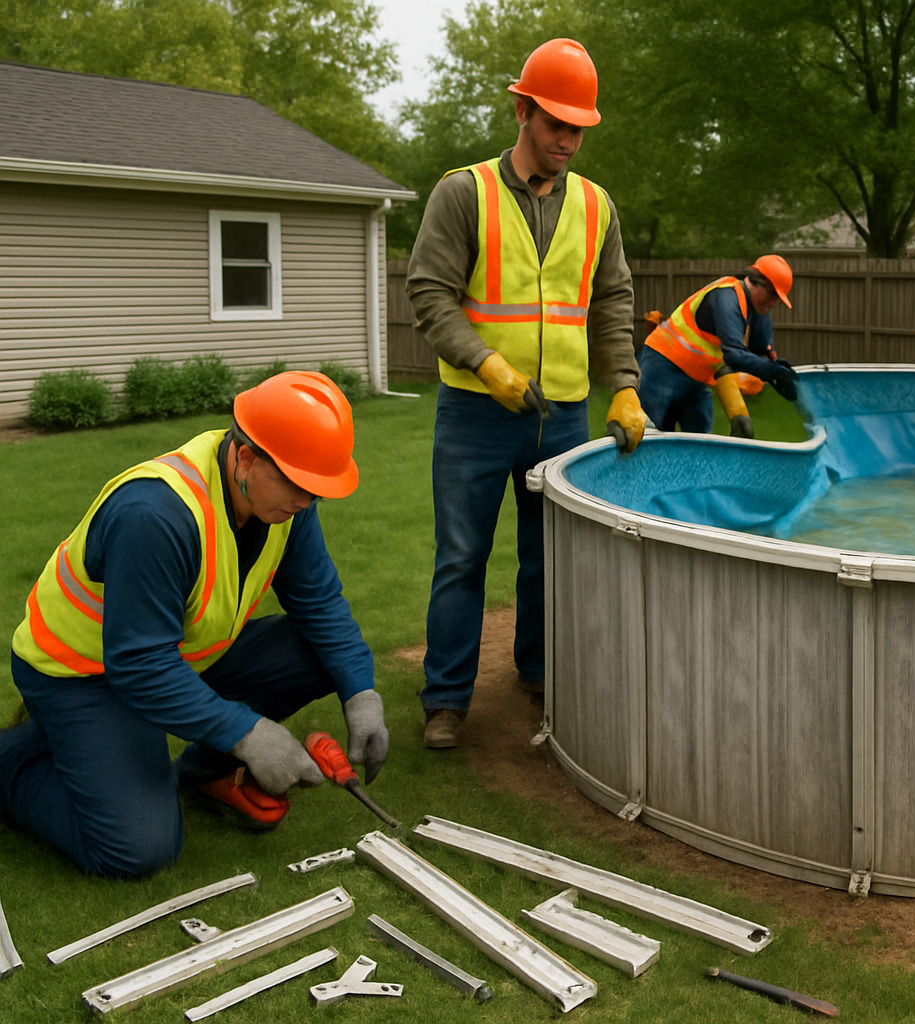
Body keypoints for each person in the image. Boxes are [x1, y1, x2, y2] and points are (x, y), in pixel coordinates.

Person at [0, 371, 388, 879]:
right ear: (245, 457)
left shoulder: (284, 505)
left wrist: (361, 693)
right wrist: (247, 733)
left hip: (176, 656)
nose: (307, 502)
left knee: (323, 656)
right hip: (83, 675)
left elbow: (320, 602)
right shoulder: (155, 514)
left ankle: (205, 772)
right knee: (139, 849)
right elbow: (139, 666)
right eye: (298, 484)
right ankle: (14, 763)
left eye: (317, 490)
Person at [407, 37, 645, 749]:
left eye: (579, 128)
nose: (568, 141)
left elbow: (612, 301)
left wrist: (626, 389)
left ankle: (540, 672)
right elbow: (428, 292)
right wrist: (485, 364)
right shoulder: (463, 193)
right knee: (461, 555)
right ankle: (446, 700)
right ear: (521, 111)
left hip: (564, 416)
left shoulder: (598, 207)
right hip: (478, 413)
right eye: (555, 125)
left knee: (552, 557)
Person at [637, 255, 799, 438]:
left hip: (697, 377)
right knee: (644, 436)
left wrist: (776, 369)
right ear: (760, 283)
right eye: (774, 296)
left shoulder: (757, 308)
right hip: (663, 365)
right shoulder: (727, 298)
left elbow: (762, 350)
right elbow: (734, 356)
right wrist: (773, 371)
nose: (775, 303)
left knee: (701, 442)